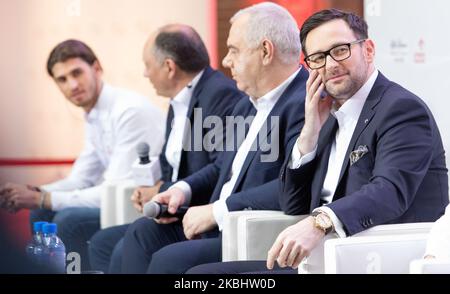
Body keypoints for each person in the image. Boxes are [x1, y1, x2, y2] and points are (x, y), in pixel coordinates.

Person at [187, 8, 449, 274]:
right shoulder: (327, 115)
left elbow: (389, 191)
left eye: (340, 50)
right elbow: (293, 204)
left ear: (368, 50)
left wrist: (319, 223)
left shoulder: (400, 108)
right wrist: (308, 135)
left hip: (374, 257)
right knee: (200, 275)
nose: (330, 65)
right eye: (318, 58)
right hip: (320, 259)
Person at [120, 2, 308, 274]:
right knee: (142, 233)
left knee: (168, 261)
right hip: (218, 223)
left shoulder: (305, 104)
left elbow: (292, 186)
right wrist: (180, 190)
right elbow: (222, 167)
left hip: (252, 232)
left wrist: (216, 211)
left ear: (266, 51)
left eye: (234, 50)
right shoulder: (246, 104)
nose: (224, 61)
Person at [87, 24, 244, 273]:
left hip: (201, 212)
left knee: (127, 242)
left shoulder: (220, 95)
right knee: (101, 243)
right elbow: (169, 162)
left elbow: (220, 168)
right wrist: (153, 189)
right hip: (175, 208)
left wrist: (167, 191)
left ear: (169, 67)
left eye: (148, 65)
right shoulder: (176, 101)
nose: (145, 74)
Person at [0, 39, 165, 270]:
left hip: (143, 207)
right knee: (40, 211)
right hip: (119, 203)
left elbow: (113, 194)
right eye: (62, 79)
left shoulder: (128, 111)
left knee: (68, 220)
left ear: (96, 68)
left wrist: (43, 198)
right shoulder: (94, 113)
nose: (73, 84)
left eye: (77, 72)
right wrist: (35, 193)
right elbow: (81, 179)